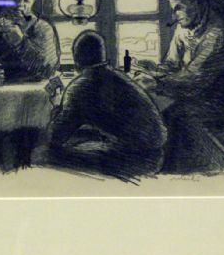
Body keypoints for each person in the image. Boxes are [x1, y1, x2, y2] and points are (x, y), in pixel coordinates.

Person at [136, 0, 224, 175]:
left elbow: (194, 80)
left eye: (179, 8)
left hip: (221, 103)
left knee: (173, 115)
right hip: (195, 94)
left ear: (197, 4)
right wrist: (152, 69)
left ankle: (173, 171)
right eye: (173, 9)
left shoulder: (218, 35)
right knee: (153, 109)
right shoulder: (182, 29)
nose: (174, 15)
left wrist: (157, 82)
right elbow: (172, 65)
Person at [45, 30, 167, 183]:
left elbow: (54, 137)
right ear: (103, 56)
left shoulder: (79, 87)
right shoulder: (119, 77)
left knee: (48, 153)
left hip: (130, 160)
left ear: (76, 60)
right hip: (156, 156)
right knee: (83, 141)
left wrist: (57, 103)